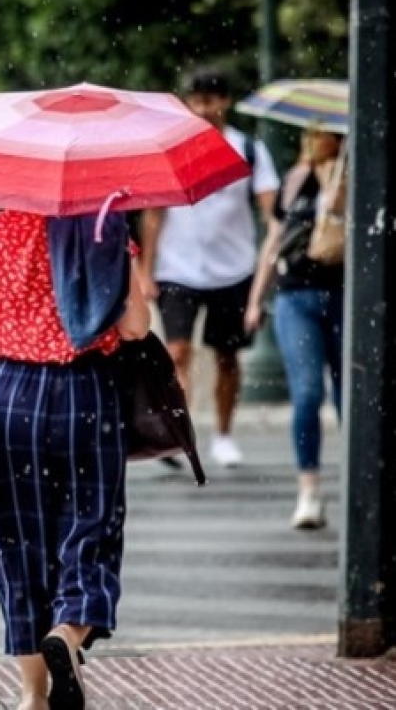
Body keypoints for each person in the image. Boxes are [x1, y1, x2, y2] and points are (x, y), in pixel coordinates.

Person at [0, 210, 151, 710]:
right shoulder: (102, 229)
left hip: (10, 395)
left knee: (18, 543)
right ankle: (68, 627)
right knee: (91, 525)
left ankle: (32, 694)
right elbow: (136, 327)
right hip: (85, 389)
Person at [139, 68, 281, 467]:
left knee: (226, 357)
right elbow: (154, 214)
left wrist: (273, 240)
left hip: (232, 269)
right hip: (178, 267)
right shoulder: (173, 149)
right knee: (177, 351)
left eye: (210, 100)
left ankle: (222, 433)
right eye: (196, 101)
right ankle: (179, 431)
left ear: (225, 102)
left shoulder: (248, 150)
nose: (203, 109)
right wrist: (146, 271)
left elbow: (270, 208)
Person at [245, 129, 346, 530]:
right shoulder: (293, 178)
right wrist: (256, 298)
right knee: (307, 391)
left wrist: (337, 195)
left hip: (344, 296)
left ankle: (356, 484)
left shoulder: (352, 176)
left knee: (348, 398)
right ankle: (309, 490)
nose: (314, 140)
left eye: (323, 133)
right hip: (294, 296)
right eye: (311, 132)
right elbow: (275, 239)